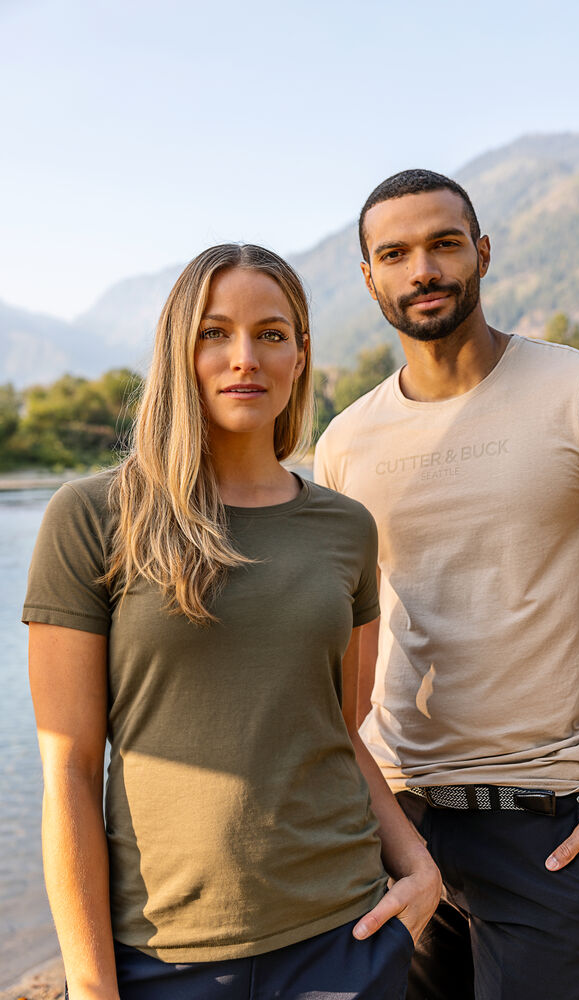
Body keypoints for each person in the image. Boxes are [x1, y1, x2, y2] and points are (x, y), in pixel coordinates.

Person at [24, 243, 441, 1000]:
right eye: (214, 333)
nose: (243, 356)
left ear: (300, 354)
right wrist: (90, 986)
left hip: (345, 933)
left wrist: (415, 863)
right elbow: (70, 770)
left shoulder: (345, 528)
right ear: (178, 352)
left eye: (271, 334)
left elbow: (338, 727)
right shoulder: (91, 517)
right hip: (163, 953)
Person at [314, 171, 579, 1000]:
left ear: (479, 252)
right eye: (393, 254)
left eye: (442, 244)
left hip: (546, 827)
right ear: (369, 279)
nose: (422, 270)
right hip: (399, 826)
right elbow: (340, 648)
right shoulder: (343, 444)